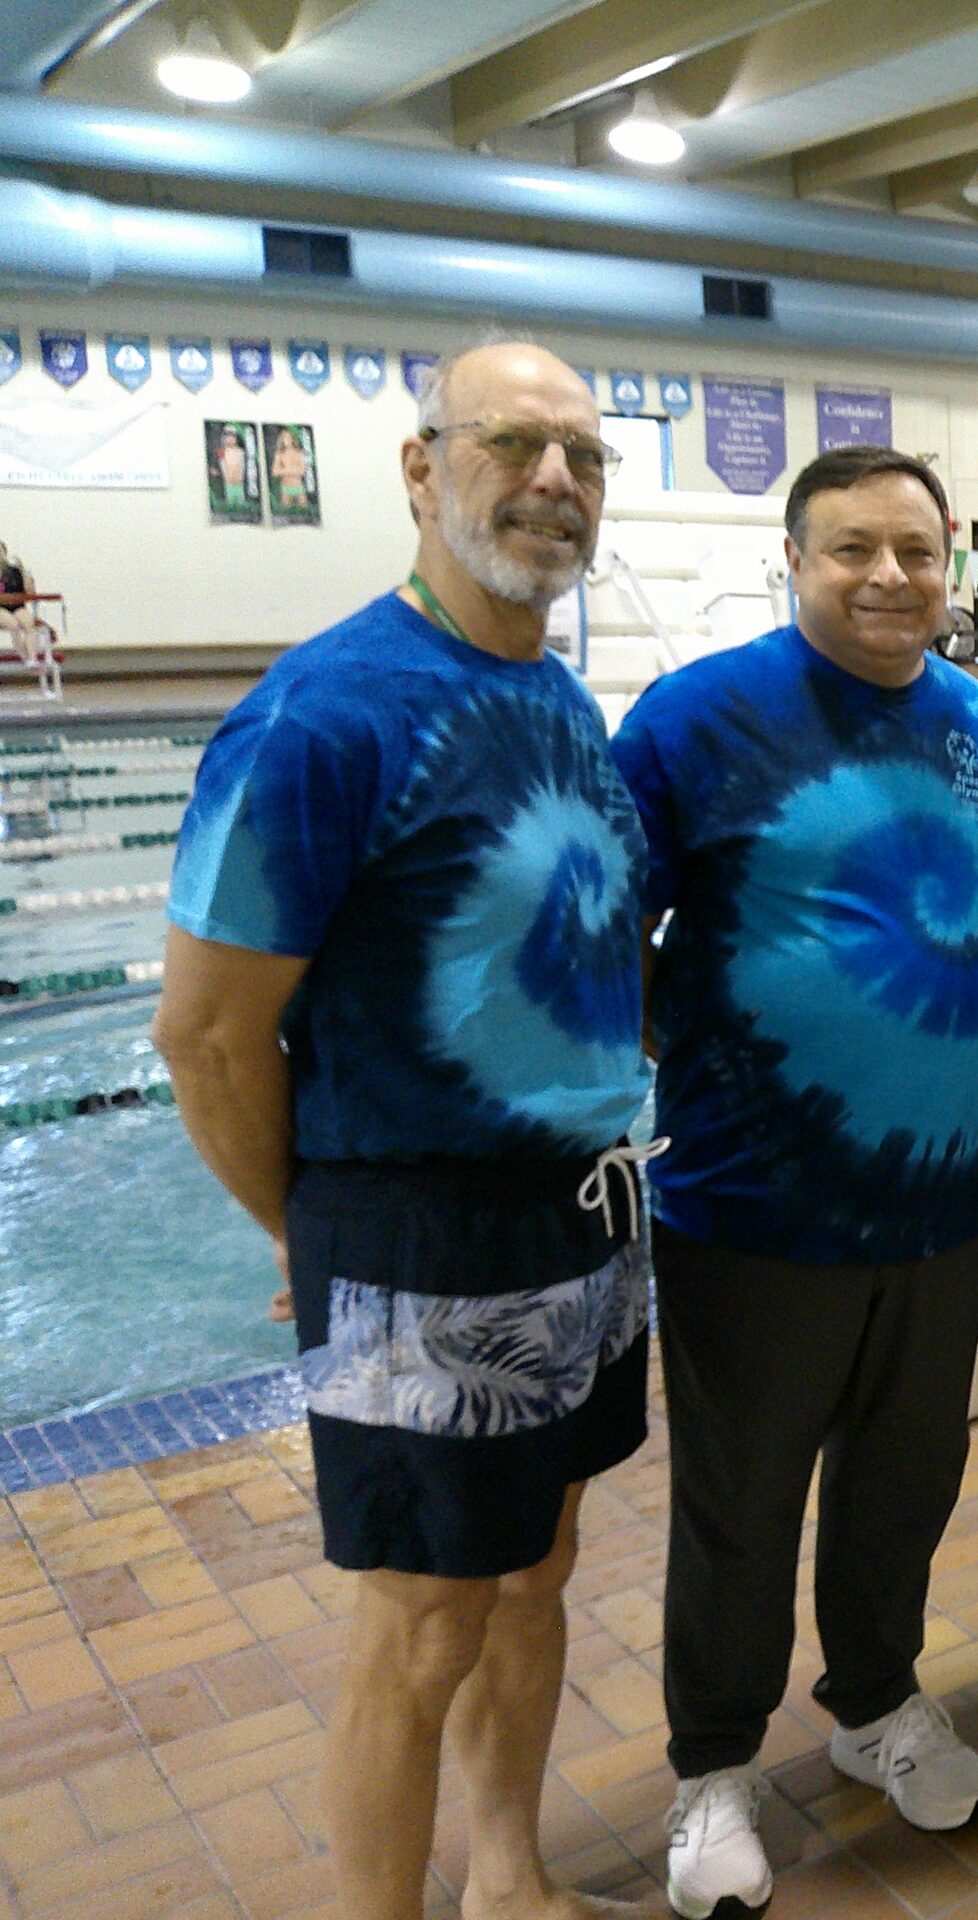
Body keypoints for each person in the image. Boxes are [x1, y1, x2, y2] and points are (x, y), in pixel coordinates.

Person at [155, 341, 649, 1920]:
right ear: (422, 468)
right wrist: (319, 1238)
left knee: (538, 1567)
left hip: (583, 1208)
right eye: (513, 443)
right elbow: (207, 1035)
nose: (555, 480)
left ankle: (510, 1882)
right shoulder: (323, 715)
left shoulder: (551, 693)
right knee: (424, 1623)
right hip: (423, 1225)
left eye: (583, 455)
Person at [611, 445, 978, 1914]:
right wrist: (703, 1045)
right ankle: (715, 1765)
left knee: (905, 1477)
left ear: (949, 561)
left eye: (916, 551)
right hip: (753, 1207)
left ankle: (875, 1704)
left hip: (944, 1198)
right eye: (854, 549)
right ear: (794, 560)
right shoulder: (695, 721)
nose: (890, 577)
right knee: (742, 1498)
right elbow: (603, 931)